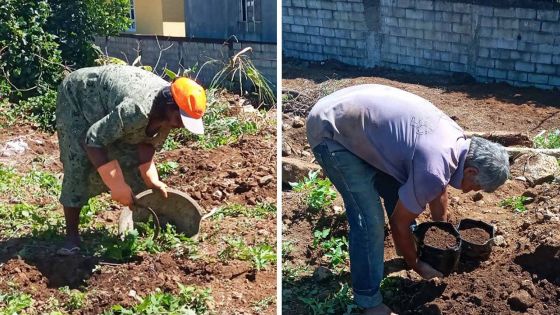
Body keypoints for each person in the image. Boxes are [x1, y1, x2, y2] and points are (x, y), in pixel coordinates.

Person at [306, 84, 510, 315]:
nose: (472, 191)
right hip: (331, 131)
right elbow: (399, 222)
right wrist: (417, 265)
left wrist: (441, 232)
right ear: (471, 172)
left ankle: (407, 249)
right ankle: (368, 300)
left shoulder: (458, 142)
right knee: (369, 220)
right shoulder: (434, 167)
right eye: (477, 186)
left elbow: (438, 188)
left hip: (355, 119)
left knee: (398, 191)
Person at [55, 65, 207, 255]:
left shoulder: (168, 116)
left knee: (134, 169)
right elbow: (93, 139)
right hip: (79, 98)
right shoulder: (136, 110)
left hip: (112, 105)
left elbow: (147, 143)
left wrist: (151, 177)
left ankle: (140, 225)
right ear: (170, 106)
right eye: (181, 119)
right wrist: (116, 183)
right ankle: (72, 238)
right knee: (77, 161)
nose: (183, 125)